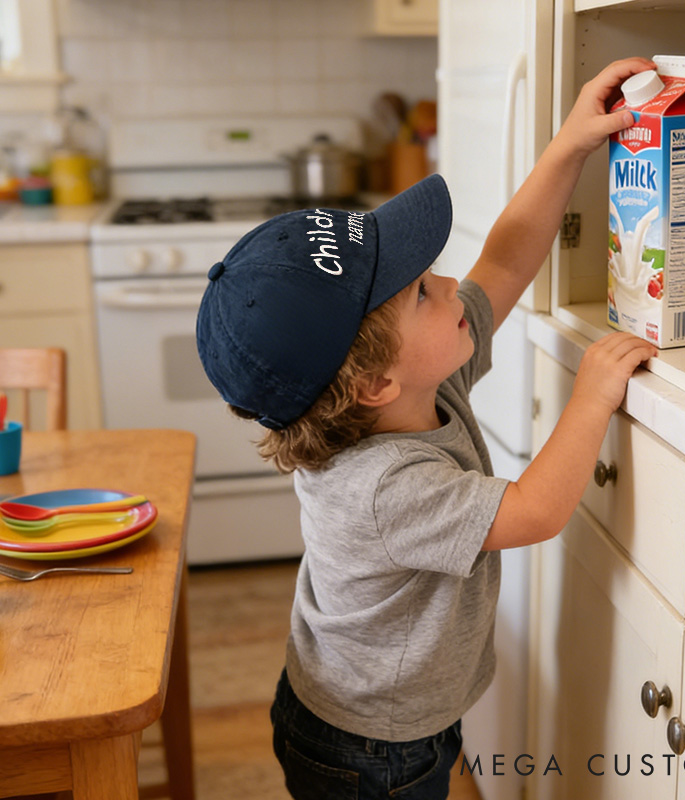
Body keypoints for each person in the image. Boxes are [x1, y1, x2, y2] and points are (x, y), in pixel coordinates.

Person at [196, 57, 659, 800]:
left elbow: (505, 259)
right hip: (369, 751)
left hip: (389, 718)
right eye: (422, 292)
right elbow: (535, 512)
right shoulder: (385, 485)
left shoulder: (416, 382)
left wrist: (570, 143)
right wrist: (593, 394)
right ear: (377, 381)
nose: (451, 285)